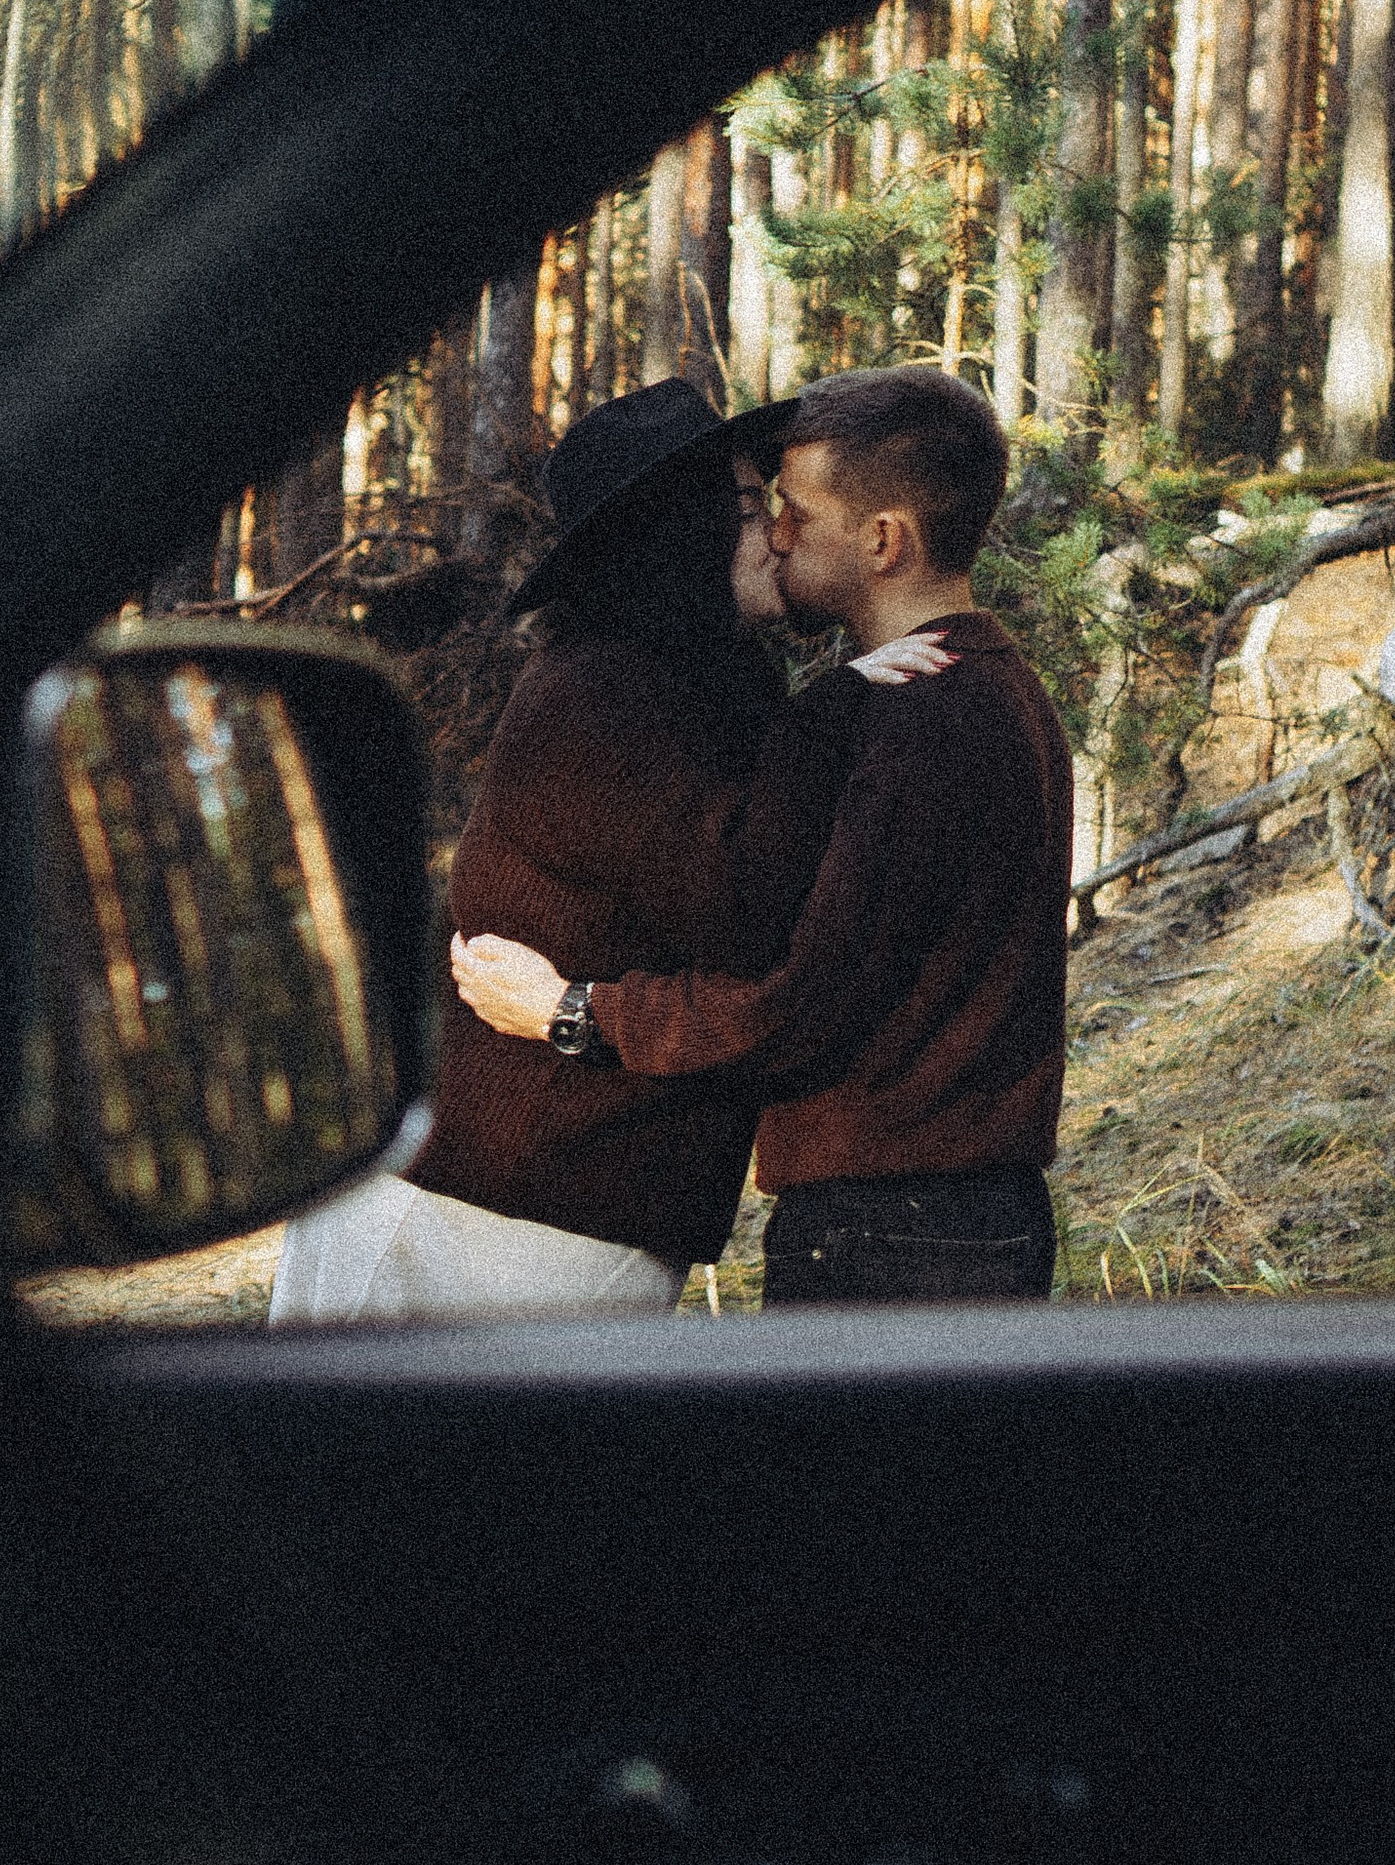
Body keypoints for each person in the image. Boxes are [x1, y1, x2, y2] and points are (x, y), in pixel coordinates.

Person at [449, 365, 1071, 1307]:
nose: (778, 536)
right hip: (921, 1221)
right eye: (755, 511)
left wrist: (572, 1011)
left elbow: (800, 1008)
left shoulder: (918, 712)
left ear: (882, 539)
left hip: (895, 1230)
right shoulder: (978, 686)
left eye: (794, 511)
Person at [268, 377, 836, 1320]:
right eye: (745, 506)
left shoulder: (707, 690)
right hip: (477, 1209)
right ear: (678, 530)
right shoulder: (599, 697)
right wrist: (856, 710)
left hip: (565, 1201)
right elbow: (754, 913)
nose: (776, 532)